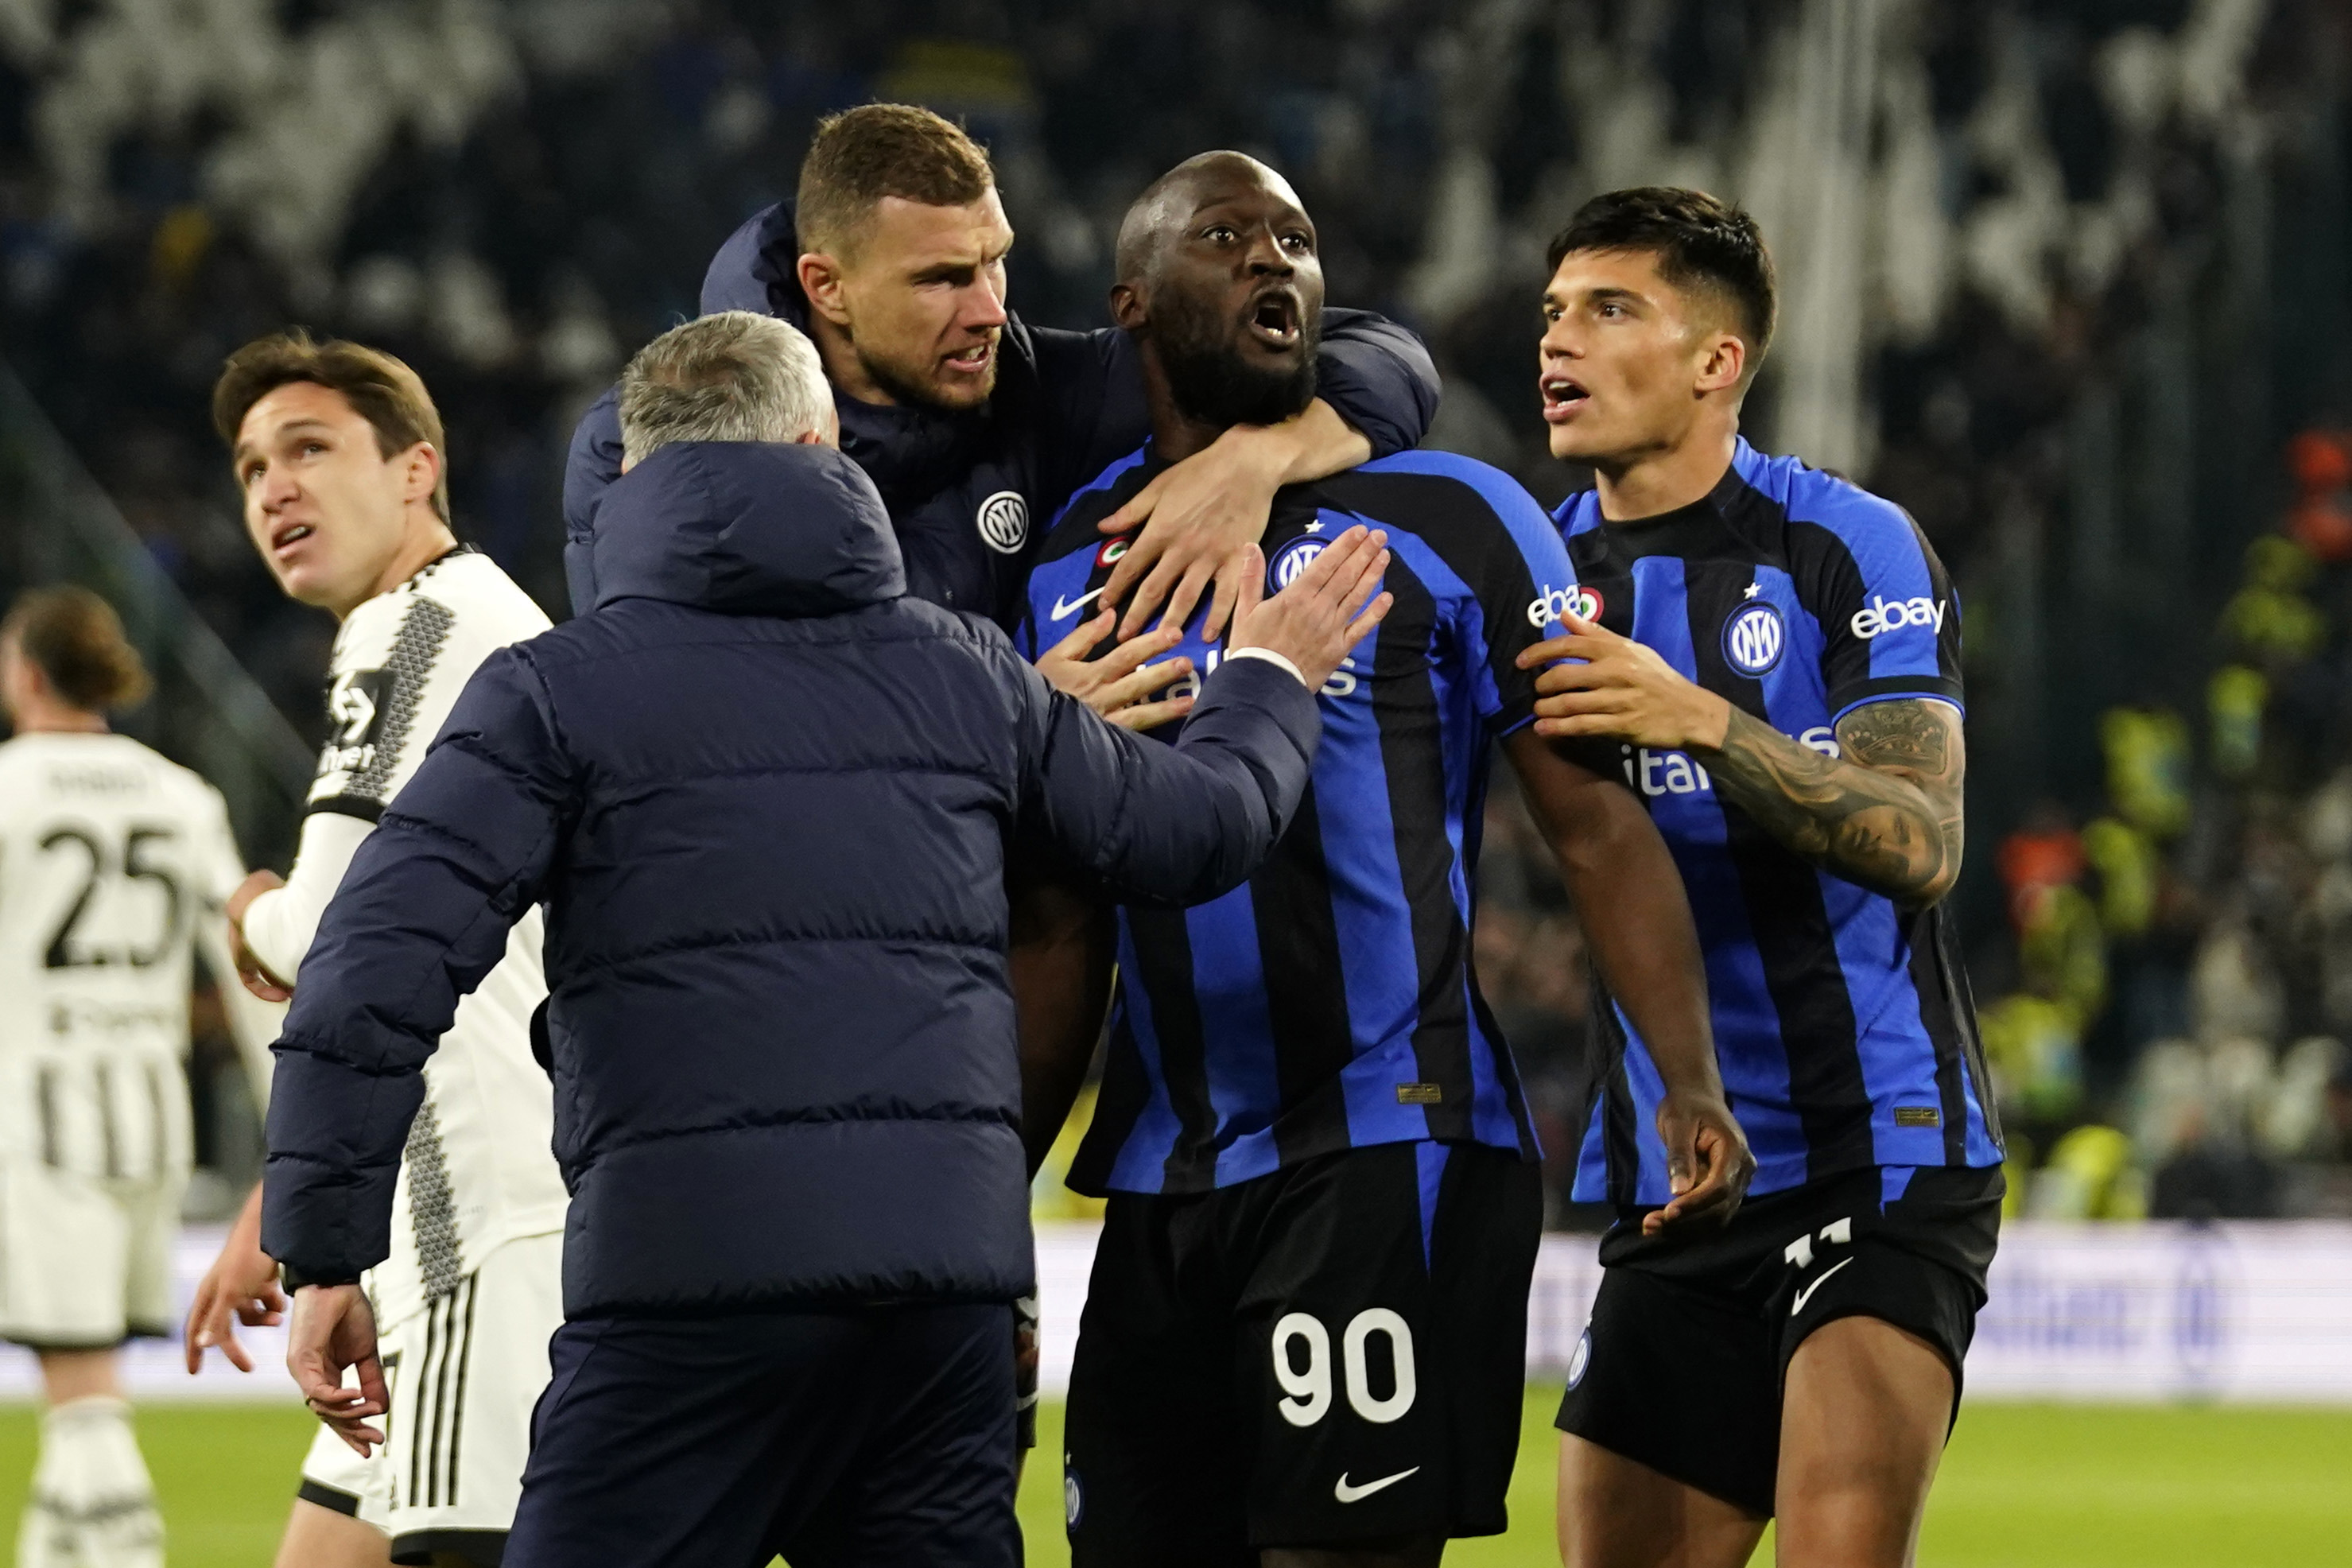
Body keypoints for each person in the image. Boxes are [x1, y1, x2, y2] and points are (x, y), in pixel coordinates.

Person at [263, 309, 1395, 1568]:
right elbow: (1198, 831)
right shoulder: (966, 673)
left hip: (683, 1296)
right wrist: (1267, 678)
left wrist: (325, 1248)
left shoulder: (554, 691)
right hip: (934, 1313)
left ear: (635, 475)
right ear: (819, 444)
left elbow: (371, 962)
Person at [1019, 152, 1752, 1568]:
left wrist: (1683, 1073)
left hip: (1384, 1140)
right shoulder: (1065, 557)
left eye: (1294, 239)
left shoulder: (1457, 517)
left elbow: (1595, 825)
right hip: (1162, 1175)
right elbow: (1050, 912)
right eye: (1225, 237)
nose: (1271, 262)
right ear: (1131, 302)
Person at [1520, 188, 2002, 1568]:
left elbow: (1920, 839)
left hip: (1882, 1149)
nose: (1558, 339)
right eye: (1553, 310)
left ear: (1714, 362)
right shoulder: (1539, 579)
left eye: (1609, 310)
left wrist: (1702, 720)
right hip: (1680, 1179)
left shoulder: (1845, 546)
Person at [185, 331, 570, 1568]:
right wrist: (286, 1198)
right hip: (428, 1228)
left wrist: (243, 908)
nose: (274, 490)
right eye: (251, 469)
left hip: (475, 1235)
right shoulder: (481, 620)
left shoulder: (414, 627)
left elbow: (329, 934)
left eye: (308, 449)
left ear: (416, 471)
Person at [564, 102, 1439, 644]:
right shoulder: (665, 437)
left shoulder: (1030, 387)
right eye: (942, 279)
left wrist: (1258, 459)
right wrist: (1032, 726)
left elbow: (1377, 354)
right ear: (825, 287)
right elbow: (739, 728)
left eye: (996, 263)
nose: (989, 309)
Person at [0, 586, 281, 1568]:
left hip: (36, 1122)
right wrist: (293, 1125)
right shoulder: (182, 794)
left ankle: (126, 1550)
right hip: (153, 1122)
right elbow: (256, 969)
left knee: (80, 1399)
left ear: (27, 671)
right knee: (88, 1381)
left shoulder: (8, 791)